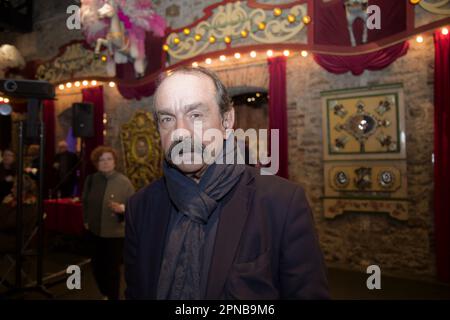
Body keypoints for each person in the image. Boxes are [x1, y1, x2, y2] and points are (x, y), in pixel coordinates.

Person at [124, 66, 329, 300]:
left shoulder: (281, 203)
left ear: (227, 119)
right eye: (168, 118)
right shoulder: (140, 208)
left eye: (196, 115)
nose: (180, 133)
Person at [82, 146, 135, 300]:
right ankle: (105, 292)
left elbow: (134, 206)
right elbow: (85, 202)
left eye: (109, 159)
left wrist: (122, 208)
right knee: (96, 267)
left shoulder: (123, 182)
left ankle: (113, 297)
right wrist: (85, 220)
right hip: (94, 231)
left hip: (115, 234)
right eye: (101, 160)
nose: (105, 162)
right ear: (96, 163)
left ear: (114, 162)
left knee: (112, 270)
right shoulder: (91, 180)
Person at [0, 175, 38, 253]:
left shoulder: (28, 206)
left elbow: (6, 223)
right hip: (8, 235)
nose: (11, 190)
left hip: (15, 240)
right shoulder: (18, 203)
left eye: (14, 187)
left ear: (22, 190)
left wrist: (5, 205)